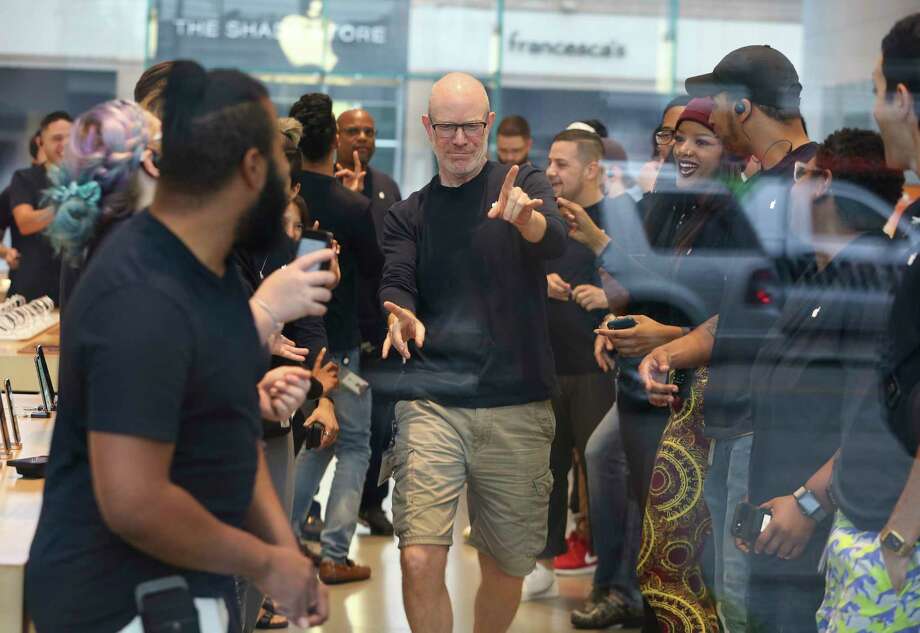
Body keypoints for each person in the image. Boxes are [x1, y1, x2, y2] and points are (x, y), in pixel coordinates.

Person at [25, 61, 334, 633]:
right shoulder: (142, 289)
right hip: (116, 606)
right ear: (250, 168)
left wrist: (282, 552)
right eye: (279, 165)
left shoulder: (208, 270)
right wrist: (265, 561)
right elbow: (135, 502)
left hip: (184, 592)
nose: (291, 186)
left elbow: (229, 429)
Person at [378, 71, 565, 633]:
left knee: (508, 565)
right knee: (418, 555)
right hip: (432, 401)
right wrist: (398, 310)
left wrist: (526, 219)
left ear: (486, 124)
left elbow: (554, 242)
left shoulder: (521, 181)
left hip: (518, 403)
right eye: (446, 128)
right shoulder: (408, 213)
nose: (458, 140)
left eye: (469, 127)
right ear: (427, 129)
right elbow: (397, 277)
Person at [638, 45, 817, 633]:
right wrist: (670, 351)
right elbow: (738, 314)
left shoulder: (806, 184)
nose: (709, 117)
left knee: (746, 601)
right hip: (732, 418)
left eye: (716, 103)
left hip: (766, 431)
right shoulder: (763, 188)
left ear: (742, 105)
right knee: (728, 594)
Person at [739, 128, 906, 633]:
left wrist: (810, 502)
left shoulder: (875, 284)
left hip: (828, 543)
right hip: (783, 543)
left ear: (822, 185)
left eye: (799, 177)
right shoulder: (823, 277)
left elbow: (880, 419)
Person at [819, 14, 920, 630]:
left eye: (879, 89)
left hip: (899, 546)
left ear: (904, 100)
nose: (875, 107)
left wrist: (898, 541)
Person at [289, 92, 382, 585]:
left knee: (316, 442)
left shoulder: (280, 201)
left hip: (287, 340)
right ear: (335, 146)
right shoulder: (353, 204)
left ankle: (282, 539)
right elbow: (375, 269)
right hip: (340, 344)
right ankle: (335, 553)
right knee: (354, 444)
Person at [521, 129, 615, 602]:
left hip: (598, 366)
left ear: (592, 169)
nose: (551, 173)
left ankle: (611, 577)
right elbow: (518, 274)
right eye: (550, 163)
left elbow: (643, 281)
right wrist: (543, 283)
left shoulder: (619, 219)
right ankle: (542, 560)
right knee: (546, 471)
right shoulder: (546, 220)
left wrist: (609, 295)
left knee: (601, 475)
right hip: (547, 363)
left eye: (562, 164)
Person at [333, 107, 404, 536]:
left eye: (369, 131)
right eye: (353, 131)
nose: (362, 138)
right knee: (329, 426)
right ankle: (313, 511)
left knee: (379, 422)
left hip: (376, 328)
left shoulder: (387, 188)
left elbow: (390, 255)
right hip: (333, 328)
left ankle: (369, 503)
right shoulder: (325, 186)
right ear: (338, 137)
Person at [8, 110, 72, 302]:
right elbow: (25, 222)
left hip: (73, 289)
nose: (64, 145)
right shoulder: (24, 179)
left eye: (70, 138)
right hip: (31, 292)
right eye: (57, 138)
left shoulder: (88, 180)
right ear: (41, 142)